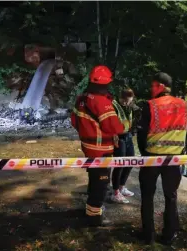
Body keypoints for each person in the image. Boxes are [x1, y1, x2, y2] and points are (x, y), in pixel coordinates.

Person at [137, 72, 187, 245]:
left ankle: (148, 235)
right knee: (171, 196)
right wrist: (181, 152)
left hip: (152, 158)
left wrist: (145, 155)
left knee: (147, 195)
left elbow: (141, 134)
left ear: (161, 86)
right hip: (174, 159)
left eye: (153, 86)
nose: (150, 89)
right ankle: (169, 235)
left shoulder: (150, 105)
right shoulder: (184, 105)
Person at [70, 65, 126, 227]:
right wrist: (127, 125)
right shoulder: (102, 102)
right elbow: (114, 127)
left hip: (88, 147)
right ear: (106, 83)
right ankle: (94, 218)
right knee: (101, 184)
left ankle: (90, 210)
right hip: (102, 151)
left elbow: (74, 121)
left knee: (94, 180)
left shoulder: (81, 98)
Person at [110, 88, 136, 203]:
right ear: (120, 97)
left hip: (128, 135)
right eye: (124, 101)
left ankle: (121, 187)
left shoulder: (130, 106)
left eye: (129, 101)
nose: (126, 103)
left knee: (130, 162)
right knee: (119, 165)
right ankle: (115, 192)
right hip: (118, 138)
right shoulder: (113, 105)